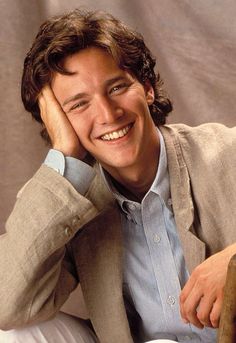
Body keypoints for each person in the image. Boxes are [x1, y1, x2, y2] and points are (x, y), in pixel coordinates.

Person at [0, 8, 235, 343]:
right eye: (79, 105)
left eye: (116, 87)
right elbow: (6, 304)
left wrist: (233, 261)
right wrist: (65, 152)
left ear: (147, 88)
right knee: (14, 333)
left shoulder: (228, 152)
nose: (108, 115)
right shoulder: (64, 197)